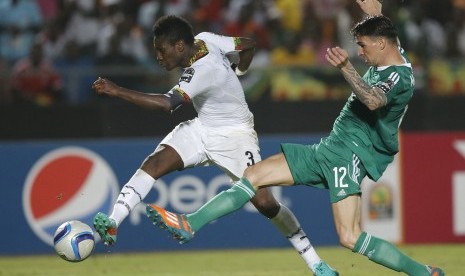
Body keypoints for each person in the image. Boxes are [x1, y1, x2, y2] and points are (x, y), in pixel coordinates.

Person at [145, 1, 445, 275]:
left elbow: (374, 101)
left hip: (349, 153)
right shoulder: (393, 53)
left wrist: (346, 68)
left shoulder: (399, 77)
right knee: (253, 176)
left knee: (349, 237)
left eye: (363, 46)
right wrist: (376, 15)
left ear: (380, 44)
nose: (360, 52)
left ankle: (423, 273)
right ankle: (190, 223)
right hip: (330, 147)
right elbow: (386, 39)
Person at [92, 15, 337, 276]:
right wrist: (238, 71)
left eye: (161, 51)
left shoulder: (201, 70)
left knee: (265, 203)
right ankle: (113, 221)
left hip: (236, 135)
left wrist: (117, 91)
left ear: (178, 47)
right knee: (154, 163)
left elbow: (167, 104)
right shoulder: (205, 39)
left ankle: (316, 263)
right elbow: (248, 44)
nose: (158, 58)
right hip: (203, 127)